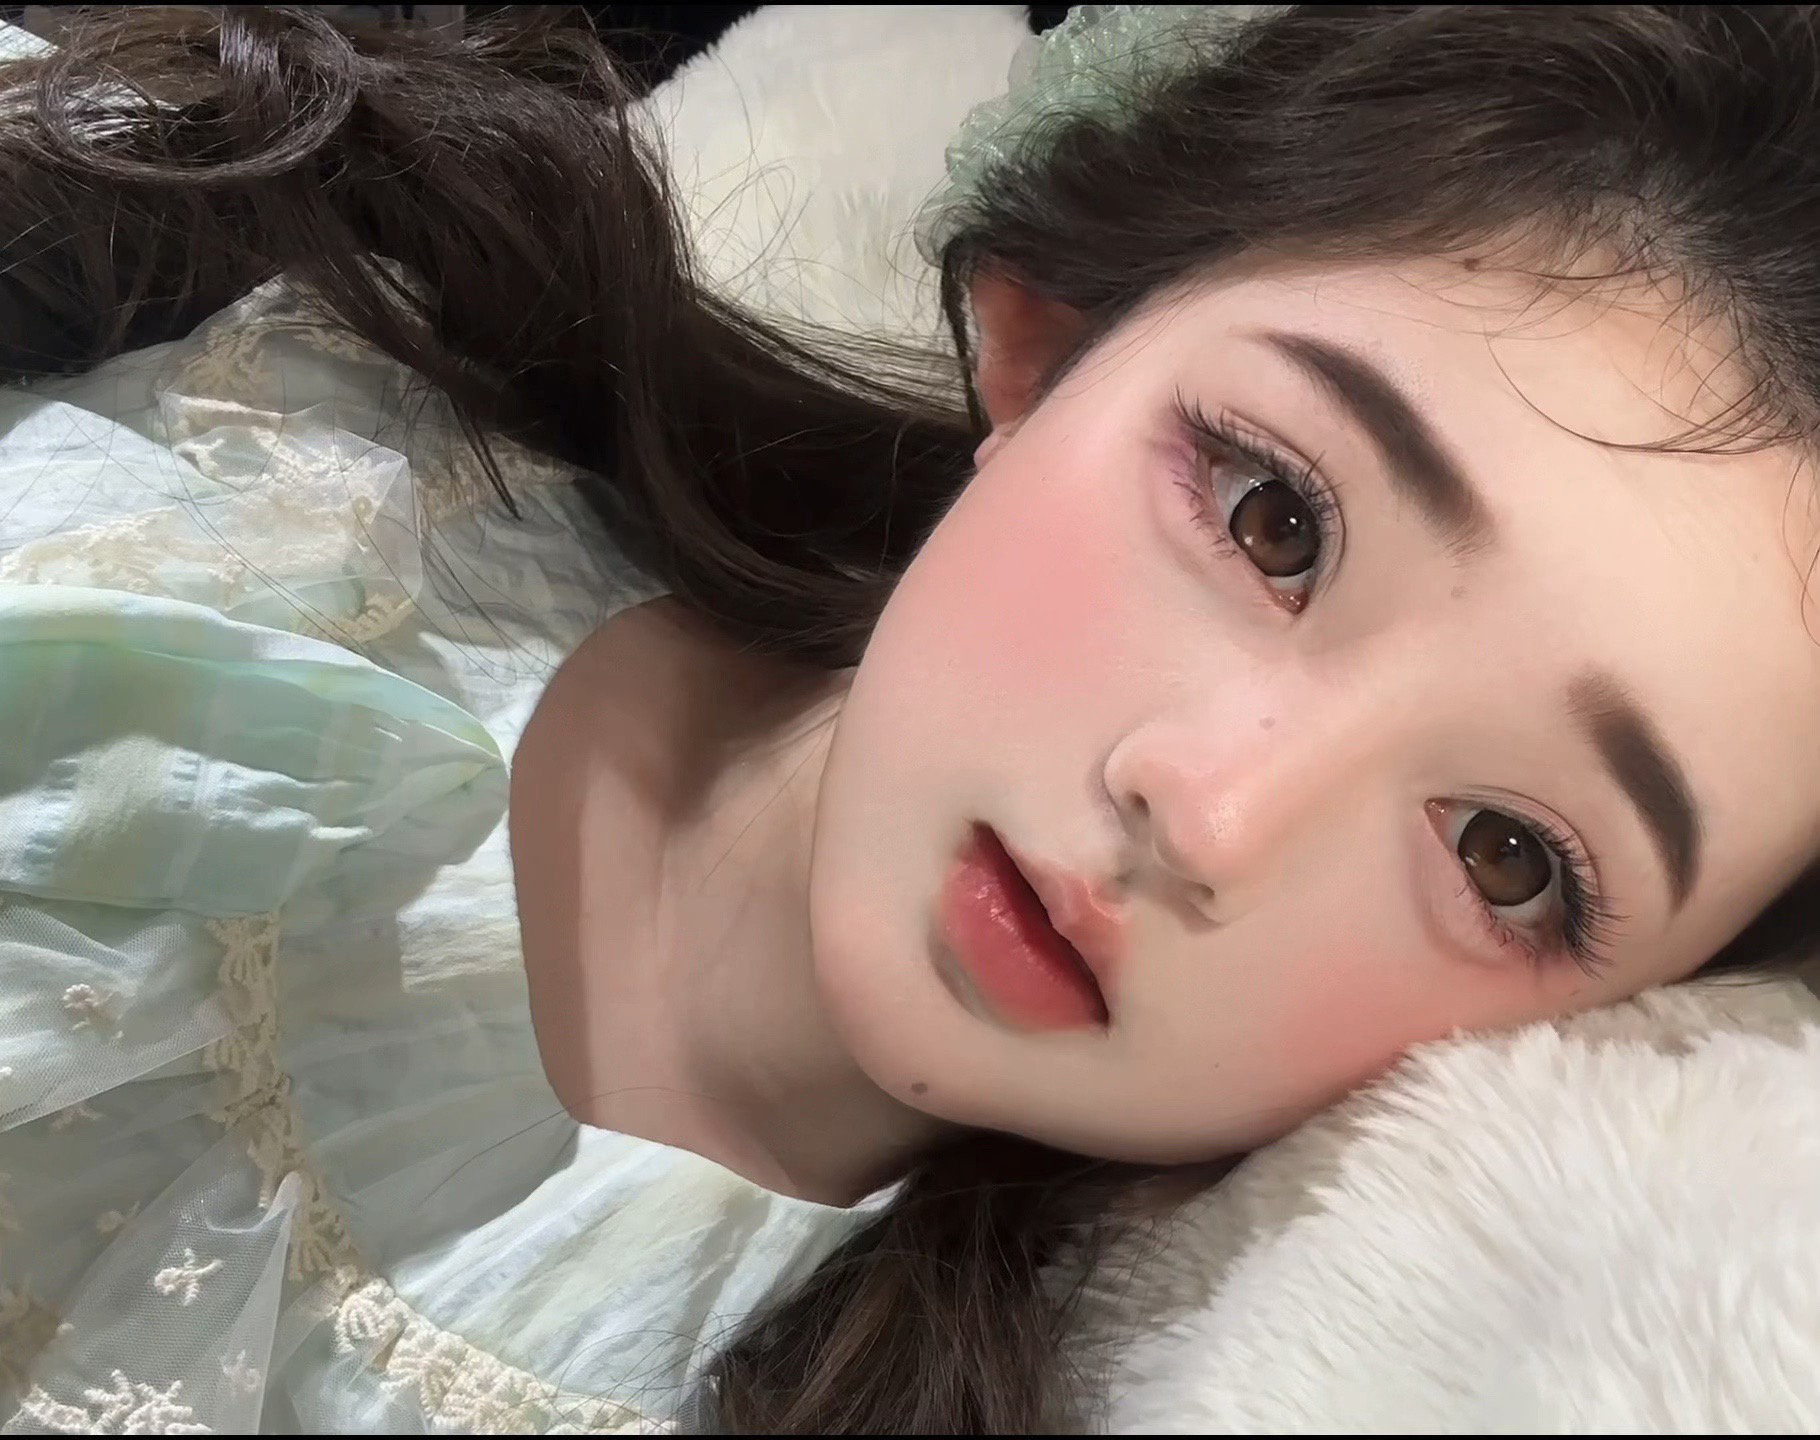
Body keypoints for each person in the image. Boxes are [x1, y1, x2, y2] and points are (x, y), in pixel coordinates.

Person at [1, 3, 1818, 1432]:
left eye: (1508, 857)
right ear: (1047, 343)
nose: (1208, 817)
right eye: (1277, 520)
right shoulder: (298, 380)